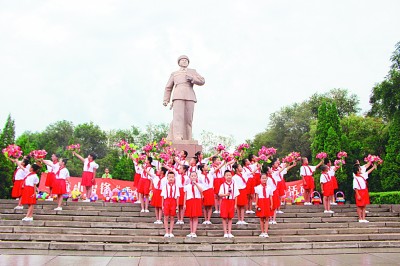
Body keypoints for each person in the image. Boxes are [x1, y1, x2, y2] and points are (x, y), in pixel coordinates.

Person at [163, 55, 205, 140]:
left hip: (190, 95)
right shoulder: (174, 74)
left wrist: (193, 78)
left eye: (186, 60)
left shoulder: (192, 71)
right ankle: (178, 135)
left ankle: (188, 136)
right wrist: (166, 100)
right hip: (178, 95)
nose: (184, 61)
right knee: (178, 117)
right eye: (182, 60)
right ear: (179, 63)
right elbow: (168, 87)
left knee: (188, 118)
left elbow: (202, 81)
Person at [219, 170, 239, 238]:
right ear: (224, 176)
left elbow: (236, 195)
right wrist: (225, 194)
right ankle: (225, 232)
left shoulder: (234, 185)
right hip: (225, 201)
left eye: (230, 175)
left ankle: (229, 232)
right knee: (224, 218)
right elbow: (220, 194)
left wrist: (235, 204)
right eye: (227, 175)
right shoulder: (223, 185)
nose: (228, 176)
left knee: (230, 218)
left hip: (232, 201)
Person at [183, 171, 204, 237]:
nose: (193, 177)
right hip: (189, 201)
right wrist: (184, 204)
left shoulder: (199, 184)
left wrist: (196, 184)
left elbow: (201, 191)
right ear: (189, 177)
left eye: (195, 176)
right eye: (192, 176)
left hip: (196, 200)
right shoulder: (187, 186)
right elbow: (185, 195)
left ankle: (194, 232)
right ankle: (191, 231)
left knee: (195, 217)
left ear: (197, 177)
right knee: (191, 217)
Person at [161, 172, 180, 237]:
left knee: (172, 217)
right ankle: (166, 232)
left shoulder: (176, 187)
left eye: (172, 177)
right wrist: (162, 205)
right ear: (167, 178)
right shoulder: (165, 187)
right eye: (170, 177)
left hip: (173, 201)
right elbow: (163, 196)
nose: (171, 178)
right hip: (166, 201)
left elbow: (177, 197)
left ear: (174, 178)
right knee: (166, 216)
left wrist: (177, 206)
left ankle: (171, 232)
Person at [255, 173, 273, 238]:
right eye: (262, 178)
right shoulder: (257, 188)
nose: (264, 179)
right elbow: (256, 196)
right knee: (261, 218)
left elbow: (271, 196)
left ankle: (266, 232)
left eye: (265, 178)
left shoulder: (269, 187)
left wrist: (271, 204)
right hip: (261, 202)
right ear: (260, 179)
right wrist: (256, 204)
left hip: (267, 202)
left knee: (267, 218)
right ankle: (262, 232)